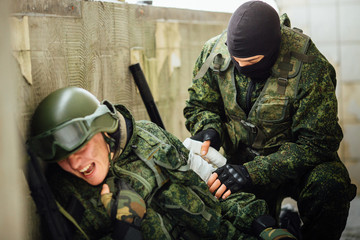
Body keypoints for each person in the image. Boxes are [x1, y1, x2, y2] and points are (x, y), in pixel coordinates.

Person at [27, 86, 297, 240]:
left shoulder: (148, 136)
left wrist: (263, 225)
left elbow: (213, 187)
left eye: (81, 146)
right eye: (63, 157)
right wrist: (126, 230)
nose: (75, 163)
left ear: (104, 130)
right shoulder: (66, 198)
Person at [183, 1, 357, 240]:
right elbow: (199, 106)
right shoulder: (213, 53)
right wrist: (208, 129)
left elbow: (318, 144)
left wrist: (253, 172)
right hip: (239, 164)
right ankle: (284, 223)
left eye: (252, 63)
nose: (243, 69)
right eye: (237, 62)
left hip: (296, 168)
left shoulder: (309, 65)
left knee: (330, 185)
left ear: (274, 50)